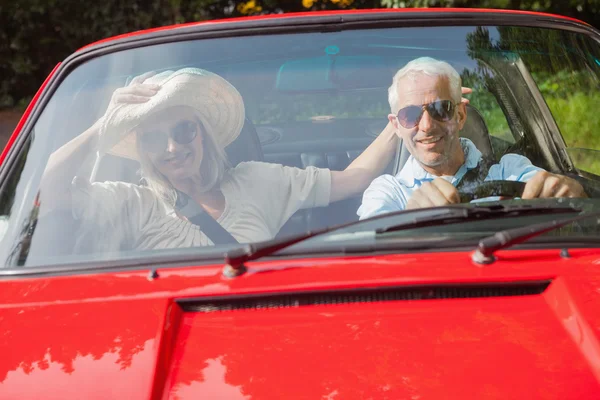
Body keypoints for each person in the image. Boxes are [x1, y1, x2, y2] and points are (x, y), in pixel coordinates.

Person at [39, 67, 401, 251]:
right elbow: (51, 185)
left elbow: (356, 178)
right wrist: (106, 124)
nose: (171, 147)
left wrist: (403, 120)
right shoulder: (134, 202)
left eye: (183, 131)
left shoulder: (258, 181)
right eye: (153, 138)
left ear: (203, 133)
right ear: (143, 151)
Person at [357, 57, 586, 220]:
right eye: (410, 115)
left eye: (440, 109)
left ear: (460, 115)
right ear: (396, 126)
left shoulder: (509, 170)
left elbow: (575, 212)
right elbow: (368, 255)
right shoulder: (388, 192)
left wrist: (573, 194)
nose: (426, 126)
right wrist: (409, 219)